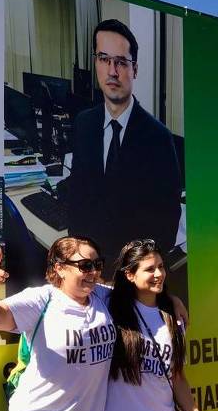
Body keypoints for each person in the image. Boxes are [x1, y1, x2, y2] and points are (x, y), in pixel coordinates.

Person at [0, 237, 114, 411]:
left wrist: (173, 301)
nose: (94, 272)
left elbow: (143, 295)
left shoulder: (103, 296)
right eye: (85, 266)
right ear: (60, 268)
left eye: (98, 265)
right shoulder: (42, 300)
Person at [68, 19, 181, 280]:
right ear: (95, 62)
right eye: (104, 59)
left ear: (135, 69)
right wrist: (81, 259)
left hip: (131, 281)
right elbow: (76, 197)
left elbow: (167, 223)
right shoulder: (84, 124)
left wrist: (135, 274)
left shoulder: (159, 138)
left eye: (121, 62)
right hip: (89, 272)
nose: (112, 71)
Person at [99, 239, 215, 411]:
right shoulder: (108, 307)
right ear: (130, 275)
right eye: (149, 269)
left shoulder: (173, 317)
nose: (158, 274)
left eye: (161, 266)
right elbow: (82, 285)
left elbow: (178, 376)